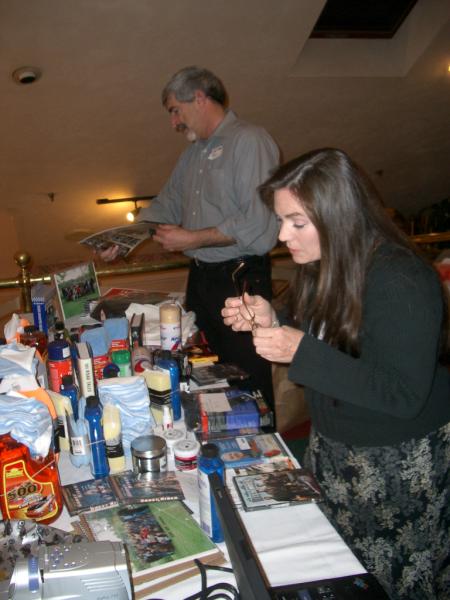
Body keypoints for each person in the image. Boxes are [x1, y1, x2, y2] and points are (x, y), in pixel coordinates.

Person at [222, 148, 450, 600]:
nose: (281, 234)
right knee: (342, 566)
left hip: (397, 464)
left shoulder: (401, 278)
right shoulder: (321, 264)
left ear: (339, 216)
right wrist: (272, 318)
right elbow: (329, 332)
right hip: (336, 448)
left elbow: (401, 394)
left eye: (297, 222)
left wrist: (300, 350)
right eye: (281, 220)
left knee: (397, 580)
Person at [101, 66, 279, 406]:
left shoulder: (249, 140)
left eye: (175, 111)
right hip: (201, 280)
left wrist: (191, 239)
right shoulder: (192, 154)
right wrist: (123, 238)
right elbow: (167, 204)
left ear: (199, 98)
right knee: (204, 375)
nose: (173, 123)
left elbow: (258, 224)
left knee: (248, 381)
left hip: (240, 280)